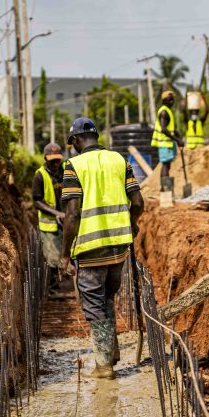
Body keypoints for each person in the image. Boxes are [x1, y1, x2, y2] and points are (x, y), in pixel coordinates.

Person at [60, 117, 144, 379]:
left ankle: (104, 367)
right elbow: (138, 202)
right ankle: (112, 353)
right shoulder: (119, 160)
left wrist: (65, 253)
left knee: (94, 304)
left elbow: (72, 214)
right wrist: (133, 225)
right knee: (107, 296)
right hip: (118, 245)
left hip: (90, 246)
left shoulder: (74, 165)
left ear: (75, 141)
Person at [33, 142, 66, 295]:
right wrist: (56, 213)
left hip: (68, 220)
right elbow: (37, 201)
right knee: (52, 258)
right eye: (52, 160)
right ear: (45, 157)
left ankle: (67, 283)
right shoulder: (40, 175)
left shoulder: (65, 171)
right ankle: (53, 289)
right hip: (50, 224)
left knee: (68, 253)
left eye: (57, 160)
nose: (55, 163)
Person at [151, 91, 184, 192]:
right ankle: (166, 189)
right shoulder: (164, 112)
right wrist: (177, 139)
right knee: (165, 164)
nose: (171, 102)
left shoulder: (168, 111)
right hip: (164, 143)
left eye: (172, 100)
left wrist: (179, 137)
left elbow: (171, 128)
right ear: (164, 101)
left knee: (167, 164)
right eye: (169, 100)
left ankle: (164, 188)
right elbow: (164, 129)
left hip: (168, 143)